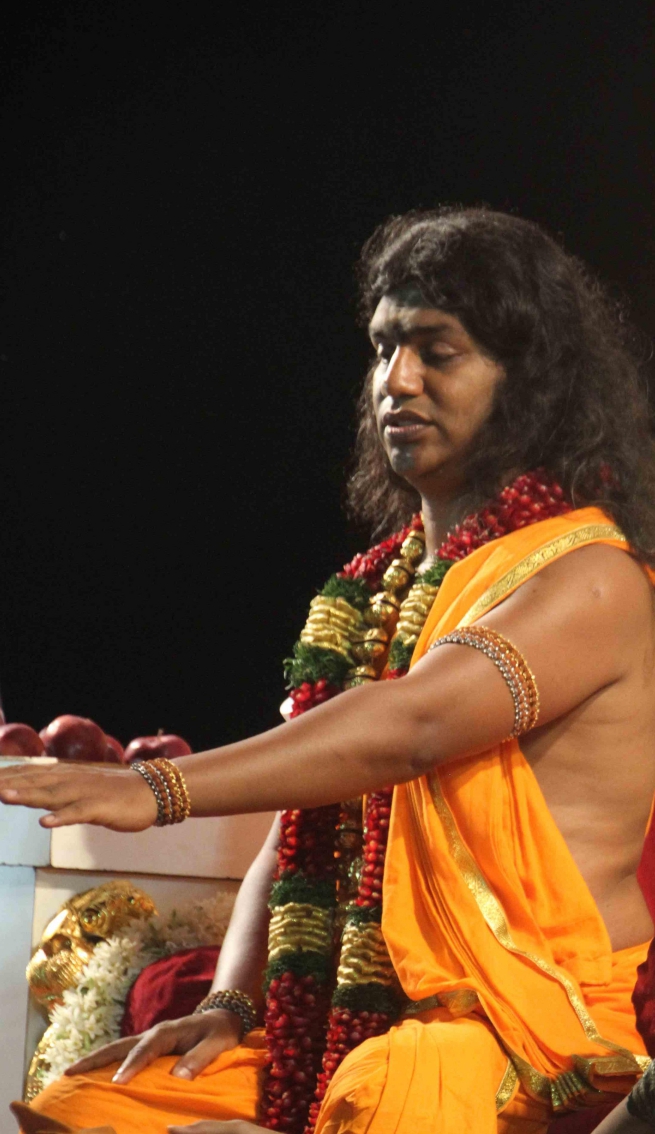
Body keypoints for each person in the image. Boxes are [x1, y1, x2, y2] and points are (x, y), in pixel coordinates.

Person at [4, 206, 655, 1134]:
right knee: (86, 1107)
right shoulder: (377, 587)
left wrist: (158, 790)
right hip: (337, 1029)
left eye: (436, 351)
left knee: (384, 1089)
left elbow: (409, 728)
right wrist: (229, 1003)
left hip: (515, 1032)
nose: (396, 380)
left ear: (529, 380)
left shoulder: (590, 576)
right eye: (383, 348)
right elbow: (300, 825)